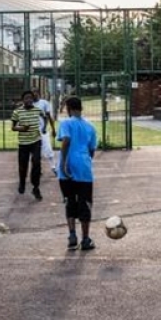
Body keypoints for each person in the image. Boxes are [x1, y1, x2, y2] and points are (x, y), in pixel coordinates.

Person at [57, 96, 99, 251]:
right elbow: (92, 150)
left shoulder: (66, 123)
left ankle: (72, 235)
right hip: (84, 167)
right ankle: (86, 239)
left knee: (69, 200)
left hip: (68, 166)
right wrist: (85, 161)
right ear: (81, 108)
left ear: (68, 108)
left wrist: (63, 163)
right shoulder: (90, 126)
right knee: (85, 203)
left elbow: (66, 140)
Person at [11, 90, 47, 201]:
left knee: (36, 163)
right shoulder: (17, 112)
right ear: (23, 100)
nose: (29, 100)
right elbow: (13, 127)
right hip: (23, 143)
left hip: (36, 141)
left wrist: (44, 127)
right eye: (26, 98)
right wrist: (22, 128)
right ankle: (22, 182)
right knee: (23, 165)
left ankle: (36, 187)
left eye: (30, 98)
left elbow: (44, 117)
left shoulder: (37, 110)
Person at [32, 88, 58, 175]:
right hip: (33, 132)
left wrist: (53, 129)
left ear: (39, 93)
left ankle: (54, 167)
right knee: (35, 152)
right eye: (32, 93)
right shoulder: (29, 104)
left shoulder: (44, 103)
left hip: (43, 131)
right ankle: (38, 169)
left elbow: (48, 117)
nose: (34, 94)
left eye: (35, 92)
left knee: (48, 149)